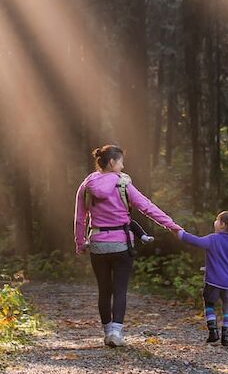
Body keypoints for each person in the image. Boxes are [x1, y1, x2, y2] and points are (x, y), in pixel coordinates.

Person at [74, 144, 183, 347]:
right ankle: (116, 332)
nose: (123, 166)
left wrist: (80, 242)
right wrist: (172, 226)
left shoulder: (87, 185)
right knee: (120, 289)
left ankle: (107, 333)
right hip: (121, 245)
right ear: (113, 162)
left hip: (98, 244)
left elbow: (80, 218)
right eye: (121, 162)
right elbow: (147, 207)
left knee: (104, 290)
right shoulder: (123, 184)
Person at [173, 211, 228, 348]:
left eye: (216, 220)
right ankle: (226, 337)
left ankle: (213, 331)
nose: (215, 222)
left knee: (209, 304)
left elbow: (195, 241)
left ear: (222, 225)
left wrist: (179, 233)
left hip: (213, 282)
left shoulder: (213, 239)